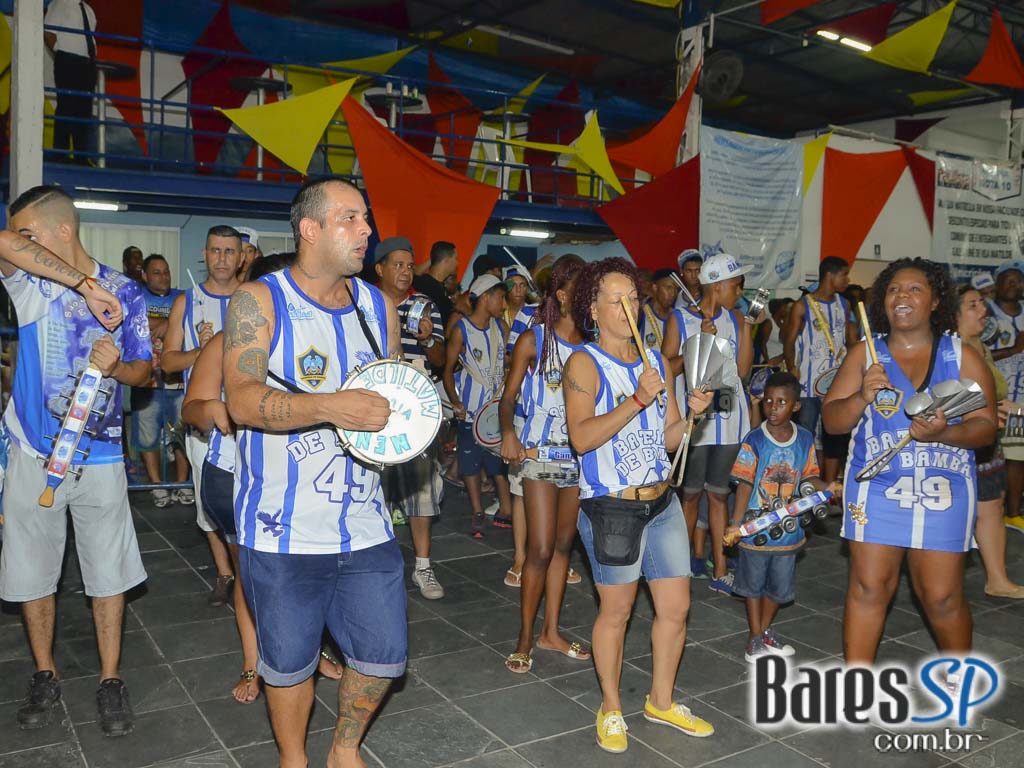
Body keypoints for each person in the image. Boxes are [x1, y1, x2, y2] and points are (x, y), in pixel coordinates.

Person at [223, 179, 405, 768]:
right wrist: (332, 405)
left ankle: (344, 747)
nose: (367, 231)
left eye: (366, 218)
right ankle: (294, 758)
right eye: (350, 218)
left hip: (366, 522)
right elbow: (243, 402)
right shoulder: (260, 300)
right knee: (288, 662)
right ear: (311, 229)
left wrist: (410, 423)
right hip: (281, 530)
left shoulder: (379, 307)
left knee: (383, 656)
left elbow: (391, 394)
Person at [0, 185, 151, 736]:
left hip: (103, 452)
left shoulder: (128, 292)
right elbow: (1, 245)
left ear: (64, 229)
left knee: (107, 573)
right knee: (33, 570)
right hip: (33, 452)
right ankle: (44, 672)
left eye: (30, 232)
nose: (21, 243)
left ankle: (110, 679)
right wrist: (84, 285)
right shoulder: (36, 283)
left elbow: (144, 371)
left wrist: (115, 368)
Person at [564, 258, 714, 753]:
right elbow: (582, 439)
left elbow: (669, 440)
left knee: (677, 608)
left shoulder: (651, 361)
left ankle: (661, 701)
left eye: (633, 298)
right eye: (616, 299)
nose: (629, 307)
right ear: (593, 308)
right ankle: (610, 706)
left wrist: (690, 417)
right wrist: (635, 398)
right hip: (611, 507)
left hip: (660, 501)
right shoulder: (584, 362)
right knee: (617, 612)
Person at [823, 258, 996, 663]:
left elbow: (986, 427)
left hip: (944, 490)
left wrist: (945, 432)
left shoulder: (962, 356)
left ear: (936, 300)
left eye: (915, 289)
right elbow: (832, 423)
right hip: (878, 486)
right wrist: (860, 397)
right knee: (869, 588)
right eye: (894, 289)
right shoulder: (866, 354)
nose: (902, 296)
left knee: (941, 596)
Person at [181, 252, 294, 704]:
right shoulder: (224, 342)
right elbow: (191, 407)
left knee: (306, 574)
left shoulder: (318, 340)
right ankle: (254, 663)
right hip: (236, 477)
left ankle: (304, 649)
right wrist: (208, 409)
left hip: (302, 479)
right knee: (252, 576)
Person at [500, 254, 590, 673]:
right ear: (562, 295)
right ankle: (523, 636)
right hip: (537, 456)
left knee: (561, 548)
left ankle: (550, 632)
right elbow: (508, 397)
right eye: (581, 288)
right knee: (538, 548)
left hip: (577, 459)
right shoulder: (534, 340)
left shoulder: (593, 347)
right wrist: (509, 433)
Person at [661, 253, 762, 593]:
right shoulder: (679, 318)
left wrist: (748, 328)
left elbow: (744, 371)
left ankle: (720, 571)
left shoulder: (735, 317)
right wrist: (698, 342)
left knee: (719, 496)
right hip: (695, 422)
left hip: (730, 420)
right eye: (736, 285)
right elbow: (668, 369)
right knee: (690, 496)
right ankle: (681, 568)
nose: (739, 291)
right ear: (717, 285)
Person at [162, 225, 248, 607]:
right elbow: (166, 362)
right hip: (204, 423)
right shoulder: (187, 301)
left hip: (248, 419)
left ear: (241, 256)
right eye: (216, 250)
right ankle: (226, 573)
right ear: (205, 253)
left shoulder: (255, 298)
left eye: (230, 251)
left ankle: (251, 574)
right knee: (208, 502)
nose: (223, 258)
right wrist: (208, 352)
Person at [727, 372, 841, 662]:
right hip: (755, 529)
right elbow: (744, 484)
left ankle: (763, 630)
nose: (773, 408)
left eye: (781, 402)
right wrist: (736, 523)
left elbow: (811, 477)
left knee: (779, 589)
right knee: (753, 587)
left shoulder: (803, 440)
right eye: (768, 401)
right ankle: (755, 637)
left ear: (796, 406)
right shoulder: (755, 440)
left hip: (788, 532)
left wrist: (827, 486)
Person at [373, 236, 446, 600]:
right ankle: (379, 567)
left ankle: (423, 567)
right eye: (397, 265)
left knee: (422, 489)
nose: (404, 271)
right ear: (380, 269)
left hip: (417, 407)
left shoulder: (424, 305)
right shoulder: (362, 302)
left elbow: (440, 361)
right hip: (376, 405)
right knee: (375, 487)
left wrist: (430, 340)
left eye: (409, 265)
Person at [957, 286, 1024, 598]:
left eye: (981, 303)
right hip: (963, 442)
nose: (983, 310)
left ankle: (997, 579)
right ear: (953, 313)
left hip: (987, 441)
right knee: (960, 510)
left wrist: (1007, 408)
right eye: (973, 305)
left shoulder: (978, 346)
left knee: (991, 507)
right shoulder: (949, 350)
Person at [443, 274, 513, 537]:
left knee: (499, 463)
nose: (503, 304)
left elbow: (504, 361)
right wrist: (456, 401)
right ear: (486, 297)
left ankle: (506, 508)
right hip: (471, 412)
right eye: (500, 297)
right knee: (470, 463)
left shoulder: (501, 329)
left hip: (496, 410)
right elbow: (448, 370)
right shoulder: (462, 329)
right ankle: (477, 511)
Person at [783, 256, 855, 484]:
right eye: (844, 274)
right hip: (807, 383)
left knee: (833, 437)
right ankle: (800, 484)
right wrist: (793, 366)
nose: (847, 279)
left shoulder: (844, 304)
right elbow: (789, 340)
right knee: (805, 434)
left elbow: (849, 340)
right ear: (829, 276)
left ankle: (829, 489)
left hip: (836, 385)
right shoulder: (802, 305)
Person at [133, 254, 189, 507]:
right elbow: (132, 322)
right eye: (156, 272)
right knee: (148, 436)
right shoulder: (136, 298)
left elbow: (189, 322)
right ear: (144, 276)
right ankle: (157, 486)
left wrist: (170, 322)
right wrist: (166, 322)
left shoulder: (182, 297)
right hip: (147, 380)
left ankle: (181, 483)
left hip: (178, 380)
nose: (163, 276)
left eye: (166, 271)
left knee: (182, 433)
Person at [986, 264, 1024, 530]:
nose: (1014, 285)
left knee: (1018, 455)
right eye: (1008, 280)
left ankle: (1013, 510)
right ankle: (1007, 512)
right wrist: (1014, 349)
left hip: (1022, 397)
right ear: (997, 285)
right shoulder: (987, 315)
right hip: (1000, 398)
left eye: (1018, 281)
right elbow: (978, 355)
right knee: (1009, 455)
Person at [44, 0, 97, 163]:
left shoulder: (89, 10)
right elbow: (49, 33)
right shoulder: (60, 3)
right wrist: (60, 54)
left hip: (87, 63)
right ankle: (61, 153)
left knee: (84, 109)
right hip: (67, 60)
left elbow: (91, 37)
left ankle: (81, 156)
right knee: (66, 105)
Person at [413, 240, 458, 328]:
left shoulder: (435, 286)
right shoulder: (427, 287)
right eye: (455, 258)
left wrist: (435, 258)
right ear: (446, 261)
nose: (457, 263)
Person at [638, 268, 679, 350]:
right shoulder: (641, 313)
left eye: (676, 289)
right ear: (655, 287)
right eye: (669, 288)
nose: (673, 293)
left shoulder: (678, 316)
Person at [756, 298, 793, 368]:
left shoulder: (783, 323)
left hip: (780, 362)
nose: (787, 311)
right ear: (779, 309)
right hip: (770, 361)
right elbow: (762, 344)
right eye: (785, 308)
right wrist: (767, 361)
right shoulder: (769, 323)